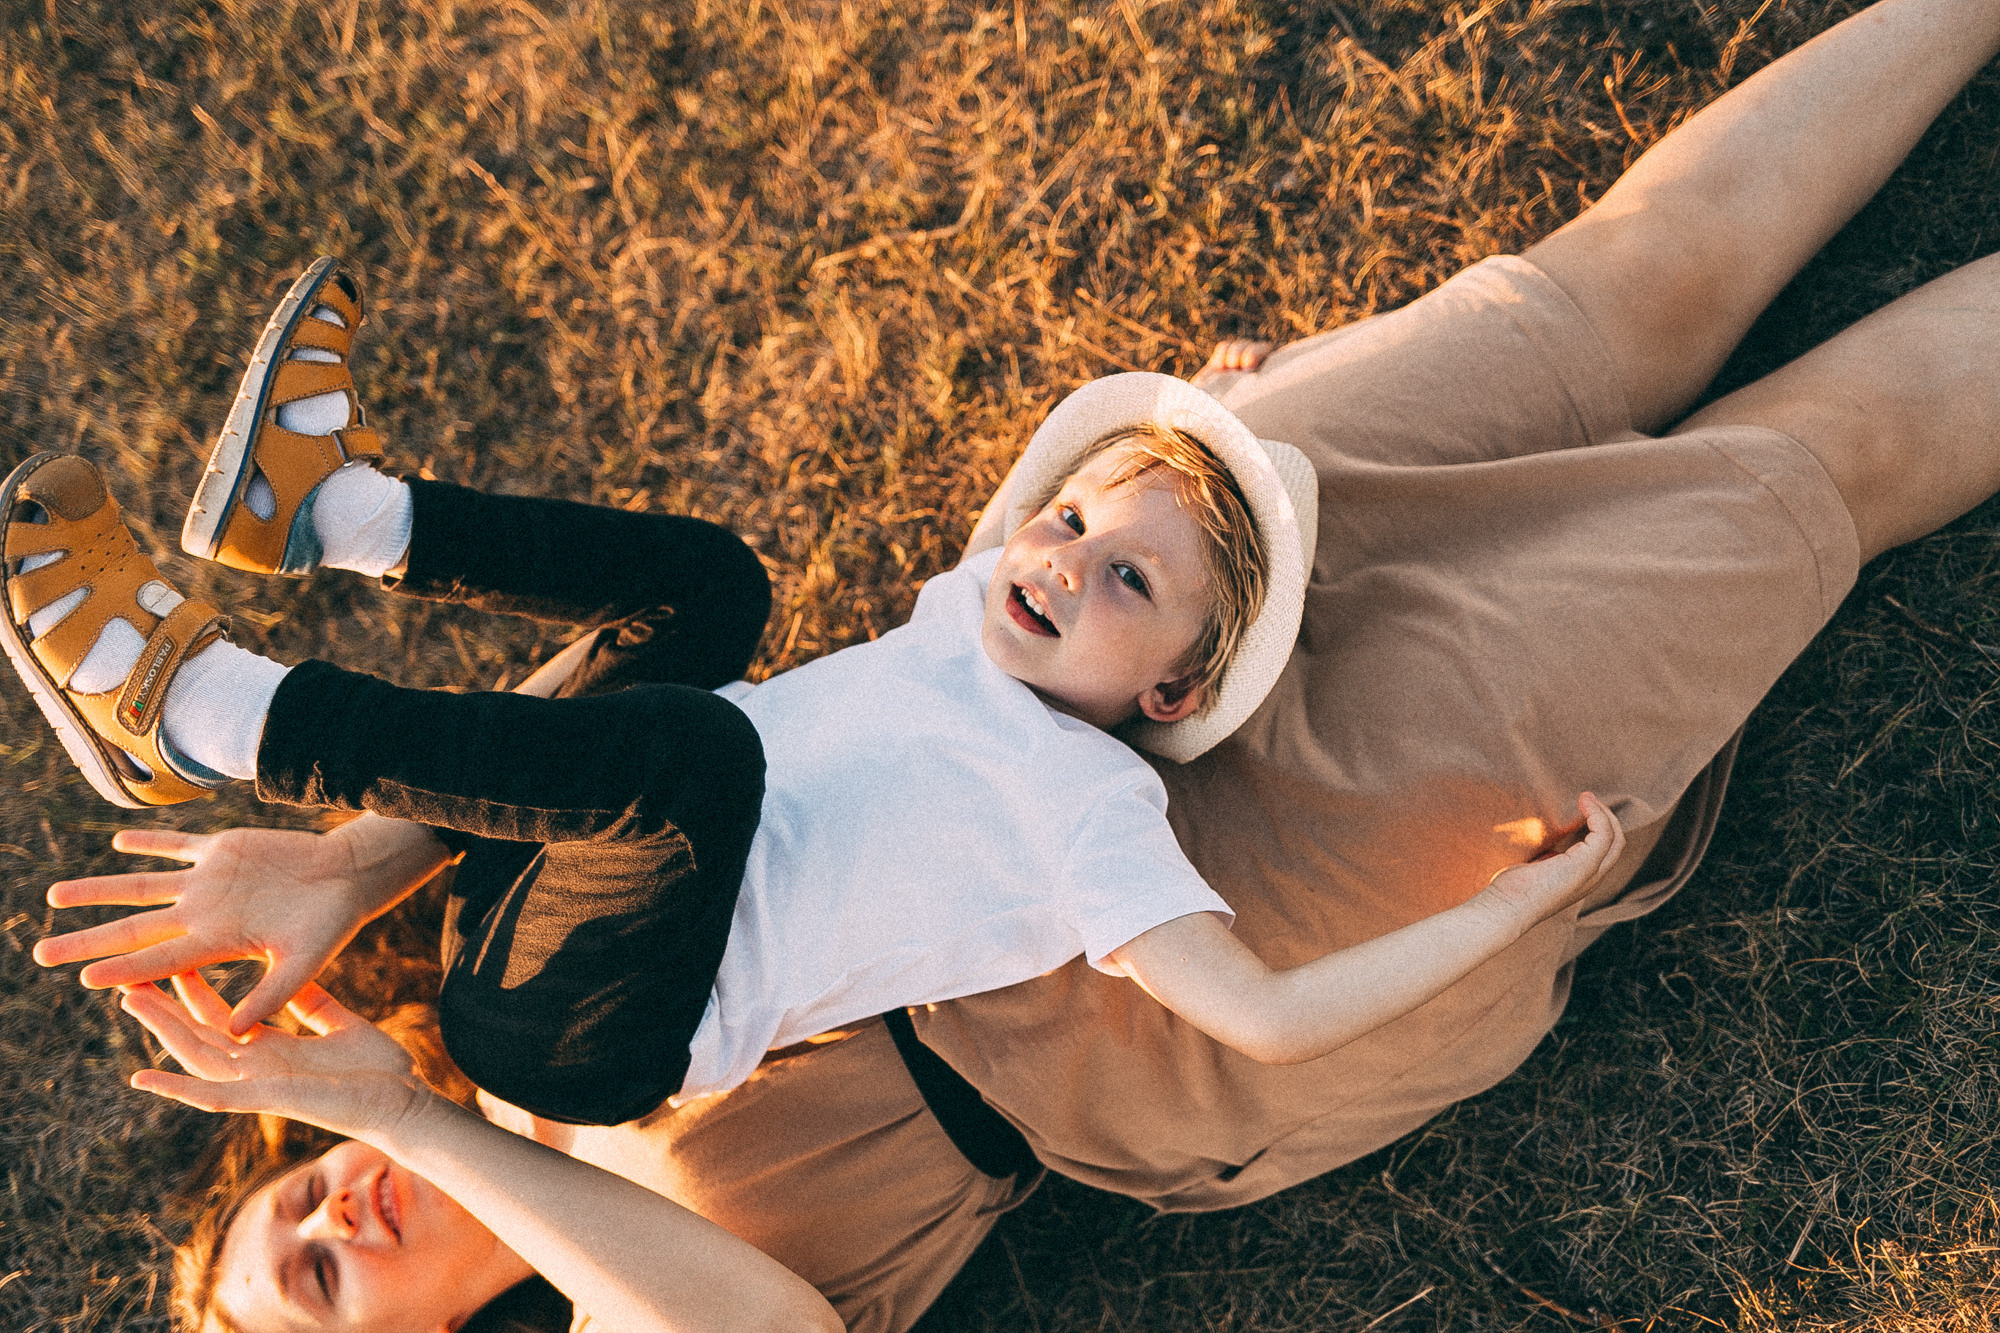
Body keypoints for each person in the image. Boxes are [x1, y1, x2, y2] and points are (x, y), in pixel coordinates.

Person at [30, 0, 2000, 1328]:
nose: (331, 1223)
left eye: (284, 1214)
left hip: (1072, 665)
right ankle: (219, 699)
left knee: (1606, 289)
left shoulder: (504, 999)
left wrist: (356, 858)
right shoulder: (591, 1247)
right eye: (316, 1293)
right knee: (1792, 480)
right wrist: (409, 1116)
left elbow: (675, 731)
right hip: (1200, 949)